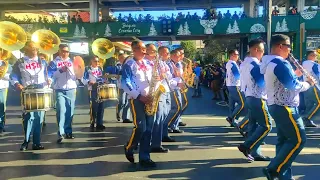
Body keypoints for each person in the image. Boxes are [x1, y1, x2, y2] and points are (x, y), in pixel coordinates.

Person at [260, 34, 313, 179]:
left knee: (284, 141)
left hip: (276, 105)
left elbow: (285, 80)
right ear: (280, 46)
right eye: (289, 46)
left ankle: (284, 176)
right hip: (285, 107)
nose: (290, 50)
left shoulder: (269, 62)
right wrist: (308, 84)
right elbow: (292, 85)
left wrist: (295, 74)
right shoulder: (280, 63)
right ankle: (274, 168)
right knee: (298, 140)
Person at [122, 41, 156, 168]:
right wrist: (139, 96)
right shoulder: (129, 64)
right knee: (140, 127)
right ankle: (129, 147)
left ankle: (145, 157)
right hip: (137, 99)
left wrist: (157, 83)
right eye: (139, 48)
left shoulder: (149, 63)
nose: (143, 51)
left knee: (148, 130)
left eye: (143, 48)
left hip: (150, 98)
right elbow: (126, 83)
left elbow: (153, 79)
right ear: (133, 50)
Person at [237, 39, 272, 162]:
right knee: (267, 125)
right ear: (256, 50)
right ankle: (247, 146)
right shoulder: (255, 65)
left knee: (253, 125)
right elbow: (262, 83)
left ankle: (255, 153)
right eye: (262, 51)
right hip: (258, 98)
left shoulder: (244, 63)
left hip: (249, 96)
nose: (263, 54)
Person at [10, 41, 49, 150]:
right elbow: (13, 75)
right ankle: (26, 141)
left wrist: (50, 79)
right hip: (27, 91)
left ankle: (37, 142)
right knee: (28, 117)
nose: (34, 50)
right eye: (31, 48)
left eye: (35, 48)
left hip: (40, 91)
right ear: (26, 49)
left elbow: (49, 73)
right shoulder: (20, 62)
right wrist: (17, 84)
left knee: (39, 118)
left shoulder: (43, 62)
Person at [48, 44, 77, 143]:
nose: (65, 53)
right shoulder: (54, 62)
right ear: (59, 51)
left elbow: (79, 74)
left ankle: (68, 131)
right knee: (61, 110)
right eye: (63, 51)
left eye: (67, 51)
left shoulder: (72, 62)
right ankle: (61, 133)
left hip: (71, 89)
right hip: (59, 89)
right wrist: (60, 70)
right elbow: (51, 76)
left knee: (70, 111)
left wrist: (78, 76)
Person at [84, 56, 106, 131]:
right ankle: (92, 121)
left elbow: (102, 78)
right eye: (95, 61)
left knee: (101, 107)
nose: (97, 63)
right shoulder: (87, 69)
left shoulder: (100, 69)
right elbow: (83, 78)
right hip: (92, 89)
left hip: (100, 89)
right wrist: (89, 82)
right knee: (93, 107)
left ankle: (100, 123)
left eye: (98, 61)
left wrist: (104, 80)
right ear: (91, 61)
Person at [225, 49, 245, 127]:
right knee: (242, 103)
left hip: (229, 85)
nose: (238, 56)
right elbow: (237, 76)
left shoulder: (228, 63)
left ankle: (232, 121)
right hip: (235, 85)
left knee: (232, 105)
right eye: (236, 55)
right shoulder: (233, 64)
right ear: (232, 55)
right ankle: (231, 118)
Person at [301, 50, 319, 127]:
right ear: (310, 56)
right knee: (318, 103)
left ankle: (308, 121)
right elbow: (318, 74)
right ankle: (307, 118)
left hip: (306, 86)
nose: (315, 57)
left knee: (310, 104)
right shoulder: (313, 64)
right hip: (313, 85)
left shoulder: (303, 64)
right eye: (314, 55)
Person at [116, 54, 132, 123]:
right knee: (122, 102)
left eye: (124, 58)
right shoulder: (118, 66)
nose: (123, 59)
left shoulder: (129, 65)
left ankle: (125, 118)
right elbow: (115, 75)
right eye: (121, 58)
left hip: (128, 86)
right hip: (121, 86)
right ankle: (118, 113)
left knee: (128, 102)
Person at [0, 49, 11, 133]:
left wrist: (2, 74)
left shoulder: (6, 64)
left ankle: (0, 125)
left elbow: (9, 77)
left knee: (1, 106)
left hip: (2, 87)